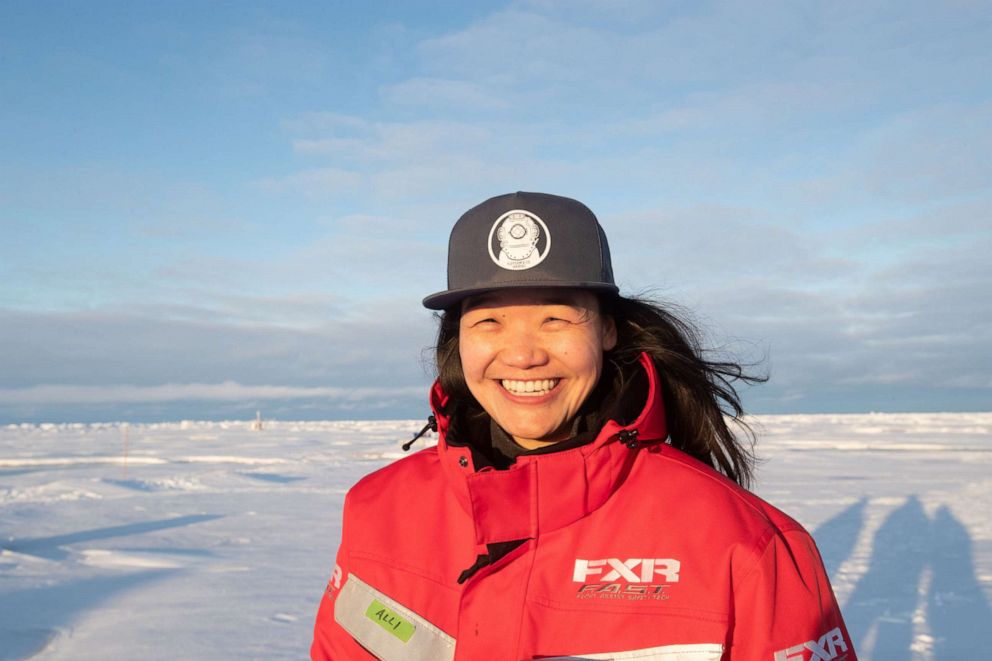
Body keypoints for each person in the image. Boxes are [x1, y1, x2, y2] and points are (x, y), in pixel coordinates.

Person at [311, 192, 856, 661]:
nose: (522, 355)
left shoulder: (746, 546)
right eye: (489, 321)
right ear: (458, 342)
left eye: (555, 317)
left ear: (608, 331)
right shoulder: (376, 508)